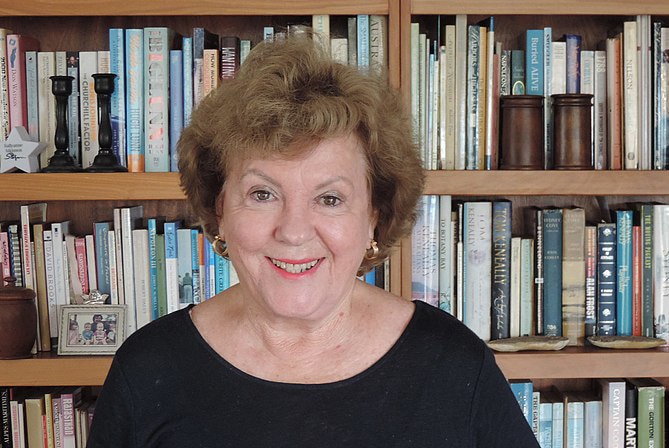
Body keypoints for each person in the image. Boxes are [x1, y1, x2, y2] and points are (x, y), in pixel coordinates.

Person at [87, 34, 538, 447]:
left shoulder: (455, 367)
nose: (295, 231)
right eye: (262, 194)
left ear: (374, 219)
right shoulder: (146, 371)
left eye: (329, 198)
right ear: (220, 210)